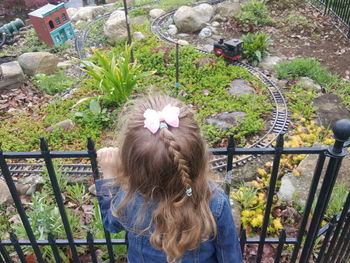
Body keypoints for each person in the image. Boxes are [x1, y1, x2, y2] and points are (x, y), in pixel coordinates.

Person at [95, 95, 243, 263]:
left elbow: (111, 224)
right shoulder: (214, 201)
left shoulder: (128, 200)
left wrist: (109, 175)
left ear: (129, 164)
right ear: (199, 155)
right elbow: (230, 256)